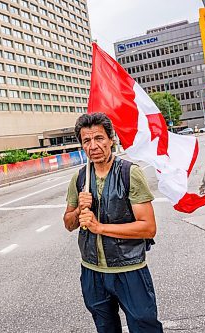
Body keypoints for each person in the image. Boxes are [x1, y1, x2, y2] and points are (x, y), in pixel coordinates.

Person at [63, 113, 163, 333]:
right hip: (92, 271)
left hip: (129, 268)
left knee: (144, 326)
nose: (93, 146)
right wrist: (80, 208)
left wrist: (100, 228)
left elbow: (148, 227)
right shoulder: (80, 178)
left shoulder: (129, 173)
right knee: (105, 327)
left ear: (111, 139)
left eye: (99, 138)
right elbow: (69, 223)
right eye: (86, 141)